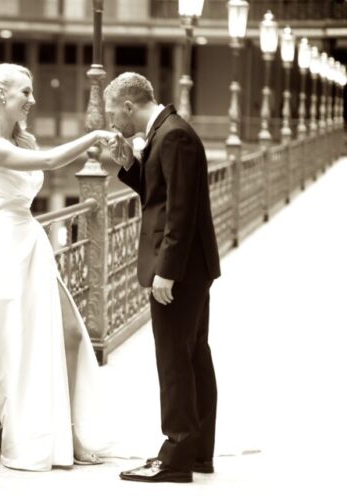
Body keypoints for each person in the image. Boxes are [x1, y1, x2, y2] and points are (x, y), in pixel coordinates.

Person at [0, 63, 116, 471]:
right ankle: (35, 437)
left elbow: (41, 163)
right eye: (25, 92)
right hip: (3, 250)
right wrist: (94, 135)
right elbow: (50, 162)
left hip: (31, 243)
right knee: (19, 346)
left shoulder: (18, 140)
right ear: (1, 95)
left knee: (68, 334)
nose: (33, 100)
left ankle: (69, 433)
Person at [102, 72, 221, 483]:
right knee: (192, 355)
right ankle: (197, 451)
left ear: (129, 106)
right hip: (191, 267)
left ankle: (175, 456)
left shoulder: (173, 136)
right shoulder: (166, 133)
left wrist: (166, 272)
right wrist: (130, 165)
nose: (111, 120)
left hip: (180, 269)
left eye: (112, 111)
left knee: (174, 359)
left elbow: (181, 211)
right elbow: (161, 194)